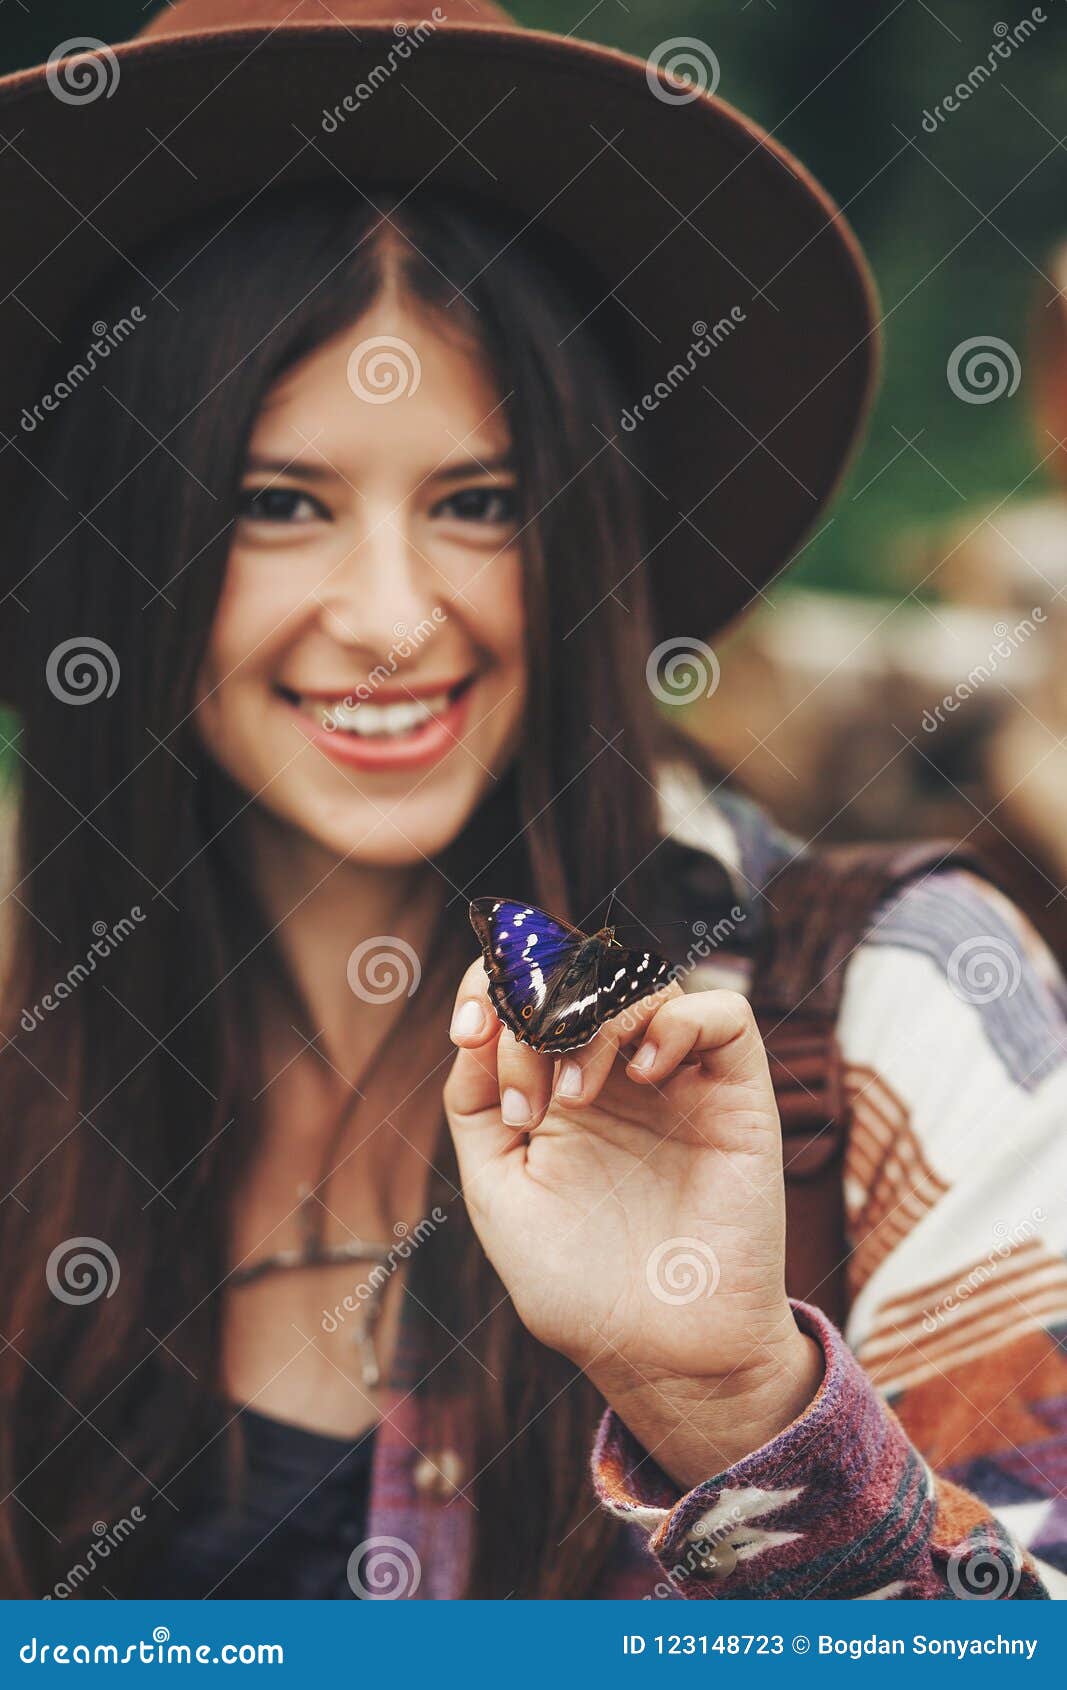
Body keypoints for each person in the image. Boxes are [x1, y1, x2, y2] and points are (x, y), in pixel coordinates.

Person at [0, 0, 1063, 1602]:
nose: (391, 614)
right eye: (278, 503)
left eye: (480, 501)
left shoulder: (896, 1015)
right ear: (122, 542)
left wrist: (736, 1410)